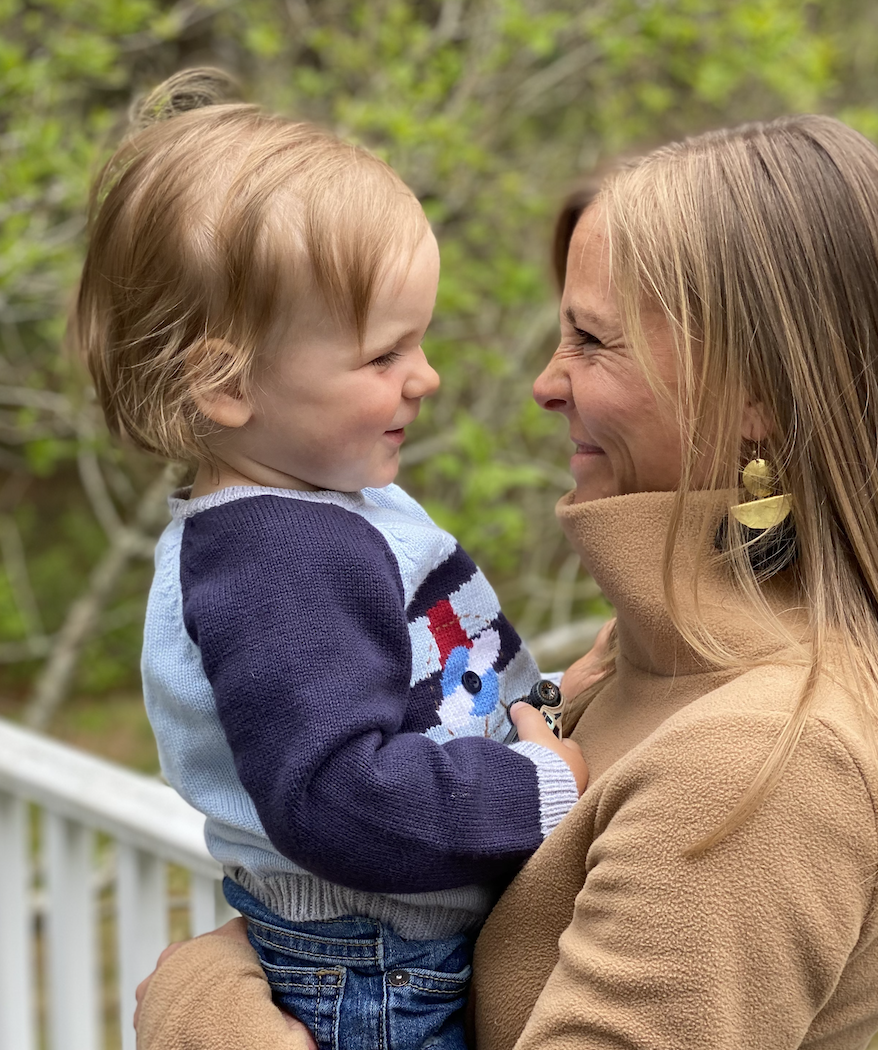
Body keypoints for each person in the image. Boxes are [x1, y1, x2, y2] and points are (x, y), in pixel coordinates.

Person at [133, 114, 878, 1050]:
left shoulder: (766, 762)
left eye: (593, 339)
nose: (545, 384)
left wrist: (200, 1011)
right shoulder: (660, 660)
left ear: (757, 392)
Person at [71, 68, 587, 1050]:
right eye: (383, 356)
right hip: (376, 967)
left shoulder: (324, 505)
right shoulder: (273, 561)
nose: (424, 379)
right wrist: (537, 791)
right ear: (225, 385)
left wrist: (559, 697)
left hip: (388, 947)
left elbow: (427, 690)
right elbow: (336, 793)